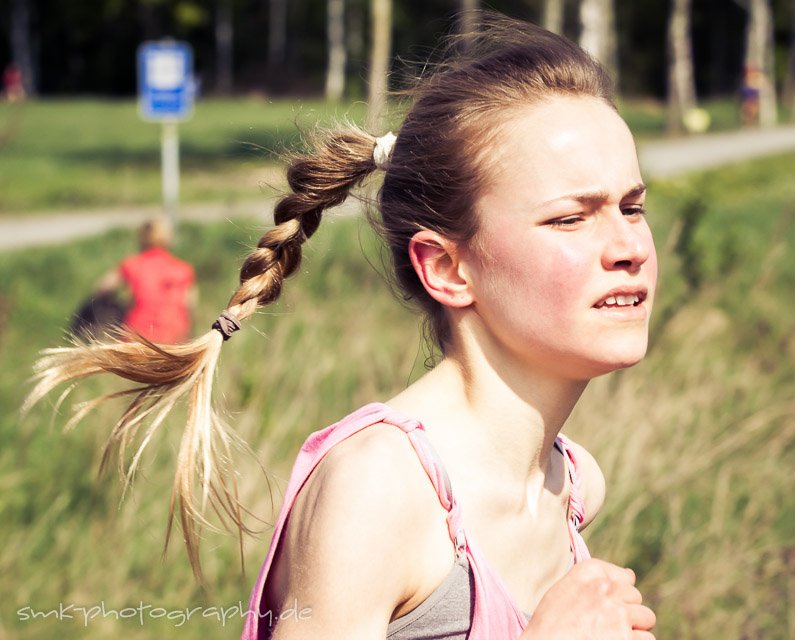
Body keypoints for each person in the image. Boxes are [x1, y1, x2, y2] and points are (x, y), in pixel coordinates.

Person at [26, 15, 657, 640]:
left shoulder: (571, 484)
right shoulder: (379, 490)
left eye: (633, 207)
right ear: (447, 268)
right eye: (571, 218)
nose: (628, 246)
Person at [96, 218, 196, 344]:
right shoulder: (183, 270)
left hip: (138, 336)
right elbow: (189, 304)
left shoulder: (132, 265)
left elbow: (103, 287)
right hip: (174, 337)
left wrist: (118, 304)